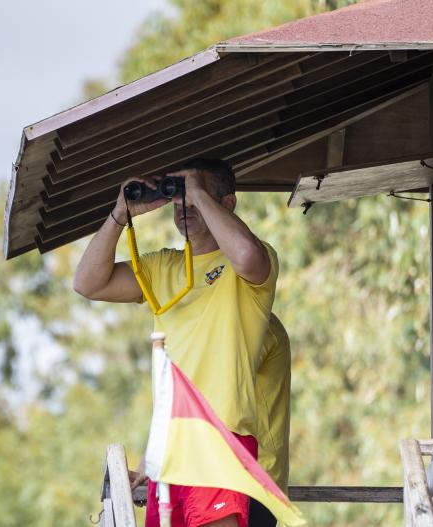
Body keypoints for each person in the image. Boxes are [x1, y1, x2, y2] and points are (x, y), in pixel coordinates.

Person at [73, 158, 290, 527]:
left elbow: (248, 256)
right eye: (177, 200)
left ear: (228, 204)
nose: (183, 208)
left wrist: (198, 193)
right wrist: (119, 214)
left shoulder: (251, 264)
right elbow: (88, 283)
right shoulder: (163, 267)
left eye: (192, 199)